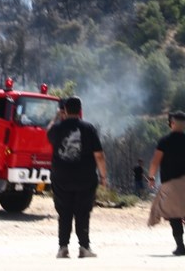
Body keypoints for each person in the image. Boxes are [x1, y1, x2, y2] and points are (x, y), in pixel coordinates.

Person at [46, 95, 107, 259]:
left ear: (65, 110)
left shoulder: (57, 128)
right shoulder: (89, 128)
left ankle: (63, 248)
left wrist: (56, 117)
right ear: (80, 110)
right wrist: (103, 176)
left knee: (64, 212)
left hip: (61, 177)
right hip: (85, 178)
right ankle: (84, 247)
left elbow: (48, 132)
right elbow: (99, 155)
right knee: (83, 212)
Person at [146, 111, 185, 255]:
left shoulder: (164, 141)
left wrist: (151, 177)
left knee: (174, 215)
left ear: (171, 123)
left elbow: (155, 161)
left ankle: (180, 247)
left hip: (171, 183)